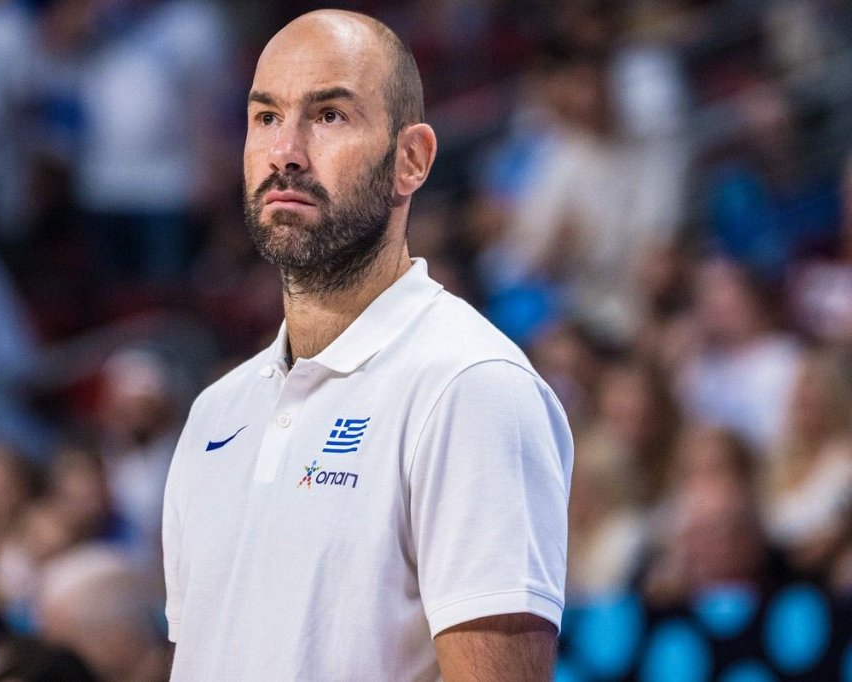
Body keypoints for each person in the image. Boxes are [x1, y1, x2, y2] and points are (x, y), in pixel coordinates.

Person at [161, 10, 573, 680]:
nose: (285, 151)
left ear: (412, 160)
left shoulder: (471, 386)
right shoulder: (215, 412)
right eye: (266, 116)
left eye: (329, 116)